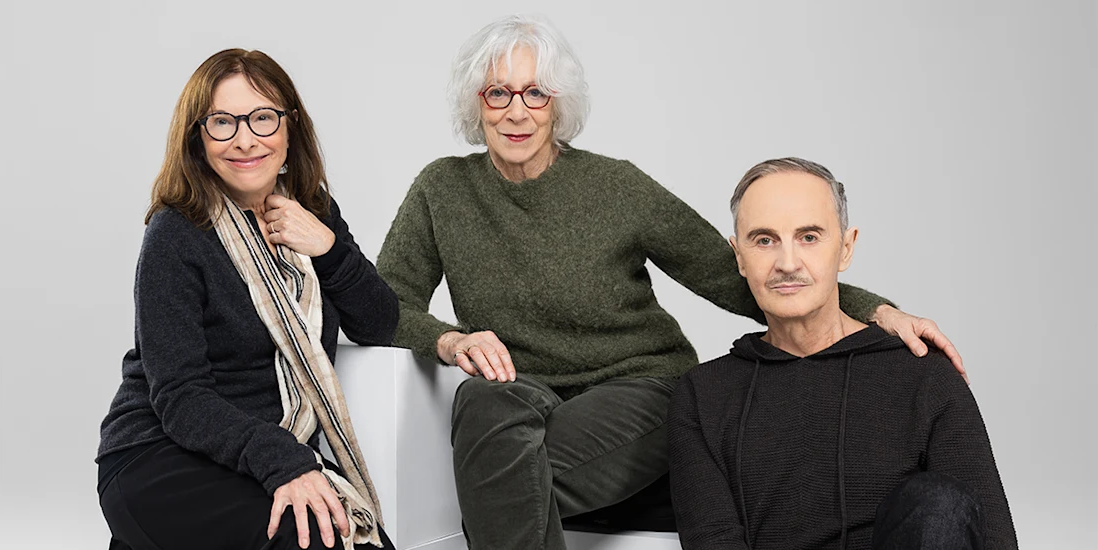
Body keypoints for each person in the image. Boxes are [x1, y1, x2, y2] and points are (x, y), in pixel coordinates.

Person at [376, 15, 965, 550]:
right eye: (497, 92)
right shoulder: (441, 189)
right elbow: (386, 303)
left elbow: (737, 278)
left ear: (559, 104)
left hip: (642, 389)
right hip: (523, 392)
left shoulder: (616, 187)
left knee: (496, 478)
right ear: (475, 103)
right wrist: (452, 341)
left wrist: (879, 311)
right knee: (480, 400)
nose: (516, 110)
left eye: (536, 92)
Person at [96, 49, 398, 550]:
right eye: (222, 122)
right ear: (198, 137)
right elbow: (180, 397)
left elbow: (379, 325)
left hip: (261, 452)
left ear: (289, 128)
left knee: (363, 541)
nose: (245, 139)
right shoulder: (177, 232)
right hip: (160, 455)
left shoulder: (314, 208)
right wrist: (287, 464)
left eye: (262, 117)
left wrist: (326, 246)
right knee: (315, 542)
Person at [668, 158, 1017, 550]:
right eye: (764, 240)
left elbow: (992, 539)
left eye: (809, 237)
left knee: (939, 503)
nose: (787, 263)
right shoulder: (702, 395)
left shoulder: (924, 377)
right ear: (739, 257)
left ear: (846, 248)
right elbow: (712, 540)